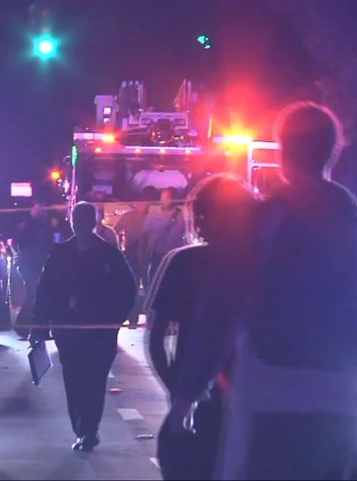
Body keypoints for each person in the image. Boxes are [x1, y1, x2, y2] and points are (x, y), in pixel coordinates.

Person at [168, 102, 357, 479]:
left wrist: (187, 395)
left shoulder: (263, 222)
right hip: (342, 399)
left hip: (267, 395)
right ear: (334, 150)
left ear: (282, 152)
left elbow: (220, 311)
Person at [147, 175, 256, 480]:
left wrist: (178, 390)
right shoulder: (263, 266)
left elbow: (156, 341)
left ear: (199, 217)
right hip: (252, 402)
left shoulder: (182, 263)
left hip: (196, 397)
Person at [30, 202, 136, 452]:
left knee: (95, 379)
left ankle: (89, 428)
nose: (82, 225)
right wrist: (39, 326)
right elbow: (45, 291)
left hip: (99, 331)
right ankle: (81, 426)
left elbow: (127, 289)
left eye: (86, 220)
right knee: (74, 378)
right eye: (78, 220)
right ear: (73, 222)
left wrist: (114, 320)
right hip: (68, 330)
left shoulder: (109, 254)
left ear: (93, 222)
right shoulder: (60, 254)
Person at [14, 201, 56, 336]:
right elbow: (17, 241)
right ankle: (22, 326)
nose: (41, 214)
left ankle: (38, 327)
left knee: (41, 294)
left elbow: (52, 243)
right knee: (33, 293)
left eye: (43, 211)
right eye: (38, 211)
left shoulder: (48, 226)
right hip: (29, 264)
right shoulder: (27, 226)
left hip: (42, 264)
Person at [115, 203, 149, 328]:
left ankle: (137, 319)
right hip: (136, 255)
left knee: (142, 287)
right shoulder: (131, 217)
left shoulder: (148, 217)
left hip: (142, 256)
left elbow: (115, 230)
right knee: (141, 287)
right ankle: (135, 319)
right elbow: (116, 231)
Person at [142, 188, 186, 284]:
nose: (164, 200)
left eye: (167, 197)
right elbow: (145, 235)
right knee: (154, 281)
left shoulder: (182, 216)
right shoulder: (153, 215)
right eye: (163, 197)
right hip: (157, 255)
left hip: (175, 257)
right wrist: (144, 252)